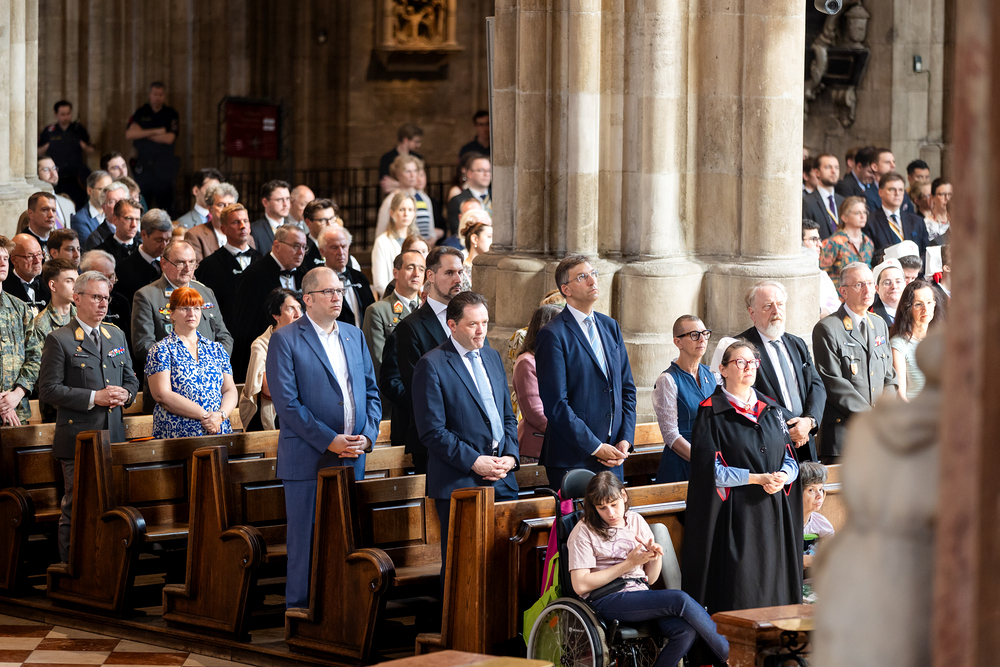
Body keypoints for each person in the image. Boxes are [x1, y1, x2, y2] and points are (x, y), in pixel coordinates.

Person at [267, 267, 381, 610]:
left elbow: (371, 393)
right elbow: (287, 404)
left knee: (345, 538)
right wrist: (329, 439)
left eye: (340, 291)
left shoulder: (353, 334)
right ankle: (300, 613)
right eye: (328, 291)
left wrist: (368, 437)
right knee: (305, 540)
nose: (336, 297)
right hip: (308, 457)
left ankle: (342, 611)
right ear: (308, 299)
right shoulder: (286, 339)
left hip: (352, 456)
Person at [682, 339, 802, 613]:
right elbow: (711, 472)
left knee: (776, 587)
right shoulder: (711, 413)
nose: (749, 367)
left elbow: (790, 458)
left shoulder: (771, 409)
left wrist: (783, 476)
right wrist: (757, 479)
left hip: (774, 512)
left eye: (753, 362)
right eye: (740, 362)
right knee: (743, 588)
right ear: (723, 369)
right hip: (736, 516)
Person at [568, 472, 730, 667]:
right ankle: (731, 655)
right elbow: (580, 585)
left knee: (684, 630)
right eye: (602, 508)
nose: (610, 513)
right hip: (605, 598)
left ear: (624, 495)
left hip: (639, 593)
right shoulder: (583, 530)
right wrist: (628, 564)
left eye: (614, 504)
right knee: (679, 599)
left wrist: (655, 556)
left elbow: (650, 579)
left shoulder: (635, 520)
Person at [411, 291, 519, 574]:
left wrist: (511, 456)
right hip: (459, 482)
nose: (481, 330)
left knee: (504, 568)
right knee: (463, 570)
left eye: (484, 322)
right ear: (452, 325)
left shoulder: (492, 357)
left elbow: (507, 416)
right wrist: (474, 461)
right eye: (473, 324)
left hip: (502, 479)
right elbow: (432, 431)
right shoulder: (432, 364)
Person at [37, 270, 138, 562]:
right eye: (96, 297)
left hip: (113, 437)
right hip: (78, 439)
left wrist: (126, 394)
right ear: (77, 298)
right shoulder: (60, 339)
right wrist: (95, 397)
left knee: (111, 507)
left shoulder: (115, 334)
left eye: (106, 298)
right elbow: (48, 390)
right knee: (77, 507)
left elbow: (131, 379)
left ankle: (106, 568)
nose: (103, 304)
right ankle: (71, 569)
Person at [535, 255, 637, 489]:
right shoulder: (553, 334)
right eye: (582, 277)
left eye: (594, 274)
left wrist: (625, 439)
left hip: (614, 455)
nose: (593, 281)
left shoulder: (610, 326)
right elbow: (556, 405)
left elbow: (627, 389)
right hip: (573, 457)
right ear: (566, 289)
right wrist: (595, 447)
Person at [132, 240, 233, 412]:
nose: (187, 268)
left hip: (210, 393)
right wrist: (185, 367)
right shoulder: (147, 296)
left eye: (192, 262)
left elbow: (224, 337)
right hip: (170, 391)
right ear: (163, 263)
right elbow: (143, 346)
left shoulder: (206, 292)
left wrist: (210, 365)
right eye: (180, 263)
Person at [812, 262, 898, 462]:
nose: (867, 290)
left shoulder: (878, 324)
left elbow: (889, 376)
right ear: (843, 291)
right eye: (859, 285)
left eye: (870, 283)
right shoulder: (828, 328)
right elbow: (833, 383)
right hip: (845, 437)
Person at [738, 281, 827, 462]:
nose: (776, 311)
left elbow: (816, 385)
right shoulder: (741, 348)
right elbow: (746, 394)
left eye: (780, 304)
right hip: (769, 445)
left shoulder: (797, 344)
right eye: (768, 306)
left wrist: (809, 421)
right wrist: (791, 426)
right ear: (752, 313)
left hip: (805, 439)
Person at [396, 246, 465, 473]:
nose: (458, 279)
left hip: (471, 437)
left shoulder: (471, 322)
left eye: (460, 272)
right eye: (449, 273)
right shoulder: (411, 327)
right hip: (433, 440)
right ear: (431, 276)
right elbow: (417, 388)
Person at [146, 287, 237, 439]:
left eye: (196, 308)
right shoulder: (161, 349)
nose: (192, 313)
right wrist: (206, 416)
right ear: (171, 313)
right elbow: (162, 394)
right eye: (185, 308)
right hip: (178, 433)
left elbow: (230, 390)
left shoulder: (216, 349)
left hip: (217, 429)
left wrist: (221, 415)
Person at [231, 224, 306, 381]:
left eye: (304, 247)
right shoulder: (254, 275)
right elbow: (245, 326)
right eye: (295, 246)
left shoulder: (304, 274)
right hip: (266, 355)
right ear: (277, 246)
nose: (301, 252)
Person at [652, 316, 717, 483]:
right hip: (682, 465)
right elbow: (671, 435)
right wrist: (703, 461)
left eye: (705, 333)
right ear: (678, 342)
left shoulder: (713, 375)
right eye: (694, 335)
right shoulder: (667, 380)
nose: (702, 339)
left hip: (712, 459)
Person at [239, 288, 302, 432]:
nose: (298, 314)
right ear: (276, 315)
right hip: (272, 415)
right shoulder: (261, 345)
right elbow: (269, 389)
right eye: (291, 309)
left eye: (299, 308)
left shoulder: (304, 340)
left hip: (299, 410)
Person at [195, 203, 263, 326]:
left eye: (245, 221)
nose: (242, 226)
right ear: (223, 229)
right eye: (236, 222)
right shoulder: (209, 265)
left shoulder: (262, 260)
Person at [363, 249, 424, 380]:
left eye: (421, 269)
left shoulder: (426, 309)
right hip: (395, 387)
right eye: (410, 268)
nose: (417, 274)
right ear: (395, 273)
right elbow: (379, 362)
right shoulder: (377, 311)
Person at [513, 304, 563, 463]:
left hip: (562, 444)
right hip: (537, 449)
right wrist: (570, 433)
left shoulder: (559, 358)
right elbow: (536, 412)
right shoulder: (527, 362)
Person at [0, 235, 42, 425]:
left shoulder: (20, 308)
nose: (2, 263)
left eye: (5, 258)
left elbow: (34, 356)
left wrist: (17, 394)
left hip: (17, 412)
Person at [32, 259, 79, 423]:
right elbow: (40, 374)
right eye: (69, 281)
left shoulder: (82, 317)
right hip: (57, 412)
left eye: (77, 281)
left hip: (87, 403)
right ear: (53, 285)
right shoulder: (40, 324)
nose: (75, 286)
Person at [126, 82, 180, 214]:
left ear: (164, 96)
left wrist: (142, 133)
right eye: (155, 94)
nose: (157, 98)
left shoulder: (171, 114)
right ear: (150, 95)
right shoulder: (140, 113)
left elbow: (169, 138)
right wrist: (157, 131)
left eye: (160, 95)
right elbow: (130, 134)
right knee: (141, 207)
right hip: (144, 168)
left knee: (166, 209)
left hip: (164, 169)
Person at [38, 100, 95, 208]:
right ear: (56, 114)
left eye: (68, 114)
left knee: (77, 205)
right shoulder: (50, 131)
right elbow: (37, 151)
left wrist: (84, 146)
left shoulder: (78, 129)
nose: (66, 117)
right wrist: (47, 146)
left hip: (75, 178)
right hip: (55, 177)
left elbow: (91, 150)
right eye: (62, 114)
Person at [866, 172, 930, 264]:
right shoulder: (870, 221)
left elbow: (925, 252)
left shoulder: (917, 221)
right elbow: (871, 255)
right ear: (880, 192)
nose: (897, 193)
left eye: (901, 190)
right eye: (892, 189)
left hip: (915, 271)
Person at [319, 226, 375, 329]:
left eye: (344, 246)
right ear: (322, 251)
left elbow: (371, 311)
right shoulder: (318, 280)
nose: (341, 252)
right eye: (334, 247)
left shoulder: (359, 277)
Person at [889, 279, 936, 401]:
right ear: (907, 309)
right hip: (913, 409)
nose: (925, 309)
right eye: (918, 304)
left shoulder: (939, 340)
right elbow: (900, 395)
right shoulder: (899, 344)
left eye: (929, 302)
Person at [115, 208, 171, 305]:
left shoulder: (172, 264)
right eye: (159, 240)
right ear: (144, 235)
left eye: (168, 240)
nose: (164, 246)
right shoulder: (124, 269)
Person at [375, 155, 435, 240]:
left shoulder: (424, 198)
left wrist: (430, 241)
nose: (412, 175)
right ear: (398, 175)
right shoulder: (391, 200)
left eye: (415, 171)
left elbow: (431, 231)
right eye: (408, 171)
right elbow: (381, 232)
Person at [820, 196, 874, 287]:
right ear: (844, 217)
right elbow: (821, 273)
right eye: (857, 213)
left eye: (865, 212)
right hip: (838, 293)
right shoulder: (834, 243)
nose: (862, 216)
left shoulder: (868, 242)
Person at [372, 191, 418, 297]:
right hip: (392, 299)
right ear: (392, 213)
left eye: (410, 210)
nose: (406, 214)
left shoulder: (417, 241)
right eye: (402, 209)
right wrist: (401, 298)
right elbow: (380, 283)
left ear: (414, 213)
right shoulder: (382, 241)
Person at [80, 250, 132, 343]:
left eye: (111, 277)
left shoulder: (121, 302)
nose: (108, 283)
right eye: (102, 278)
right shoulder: (79, 302)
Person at [184, 181, 242, 261]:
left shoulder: (246, 237)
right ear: (210, 208)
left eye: (231, 205)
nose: (227, 209)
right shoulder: (195, 235)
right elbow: (196, 267)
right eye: (221, 205)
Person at [3, 233, 50, 314]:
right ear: (14, 260)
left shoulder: (48, 284)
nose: (37, 261)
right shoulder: (4, 287)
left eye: (39, 254)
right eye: (30, 256)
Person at [802, 220, 840, 317]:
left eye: (819, 239)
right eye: (813, 239)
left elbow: (837, 308)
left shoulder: (823, 275)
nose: (820, 244)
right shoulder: (792, 276)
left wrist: (817, 311)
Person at [800, 461, 834, 571]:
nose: (819, 496)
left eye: (820, 489)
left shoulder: (821, 522)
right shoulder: (784, 523)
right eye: (811, 490)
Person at [447, 154, 492, 235]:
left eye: (489, 170)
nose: (486, 174)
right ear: (469, 173)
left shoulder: (499, 197)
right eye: (481, 170)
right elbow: (457, 231)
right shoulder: (458, 200)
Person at [802, 154, 843, 239]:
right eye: (828, 167)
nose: (834, 171)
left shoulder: (842, 201)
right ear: (817, 172)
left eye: (836, 167)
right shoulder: (808, 202)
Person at [84, 181, 130, 251]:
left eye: (122, 201)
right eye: (112, 201)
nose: (118, 205)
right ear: (103, 208)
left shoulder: (136, 234)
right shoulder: (96, 239)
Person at [95, 199, 141, 265]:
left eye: (137, 219)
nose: (134, 225)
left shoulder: (144, 250)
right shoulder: (100, 252)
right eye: (129, 218)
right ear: (115, 220)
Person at [379, 123, 424, 192]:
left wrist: (397, 184)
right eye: (416, 141)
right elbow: (385, 184)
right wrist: (409, 185)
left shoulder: (418, 157)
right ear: (406, 140)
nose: (418, 145)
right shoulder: (387, 158)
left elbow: (420, 183)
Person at [70, 171, 112, 244]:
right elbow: (89, 246)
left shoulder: (115, 213)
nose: (106, 193)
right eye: (102, 189)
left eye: (109, 189)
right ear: (89, 191)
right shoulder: (79, 219)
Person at [250, 180, 292, 251]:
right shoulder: (255, 231)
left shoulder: (293, 228)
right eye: (279, 200)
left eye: (287, 199)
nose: (285, 204)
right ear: (265, 202)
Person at [37, 157, 77, 230]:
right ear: (36, 174)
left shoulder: (68, 204)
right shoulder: (33, 205)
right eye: (46, 169)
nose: (53, 173)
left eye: (54, 168)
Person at [458, 217, 493, 292]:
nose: (493, 242)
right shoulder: (461, 271)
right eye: (489, 236)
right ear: (475, 239)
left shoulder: (491, 270)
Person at [301, 198, 336, 269]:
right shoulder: (302, 249)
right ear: (308, 222)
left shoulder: (340, 245)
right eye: (323, 220)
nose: (329, 224)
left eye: (332, 218)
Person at [870, 258, 905, 325]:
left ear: (905, 284)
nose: (894, 286)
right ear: (877, 289)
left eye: (898, 281)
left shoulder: (913, 312)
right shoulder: (872, 317)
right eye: (887, 283)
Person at [928, 178, 952, 242]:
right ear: (932, 197)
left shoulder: (958, 225)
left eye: (950, 194)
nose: (947, 198)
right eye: (943, 194)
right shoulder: (925, 224)